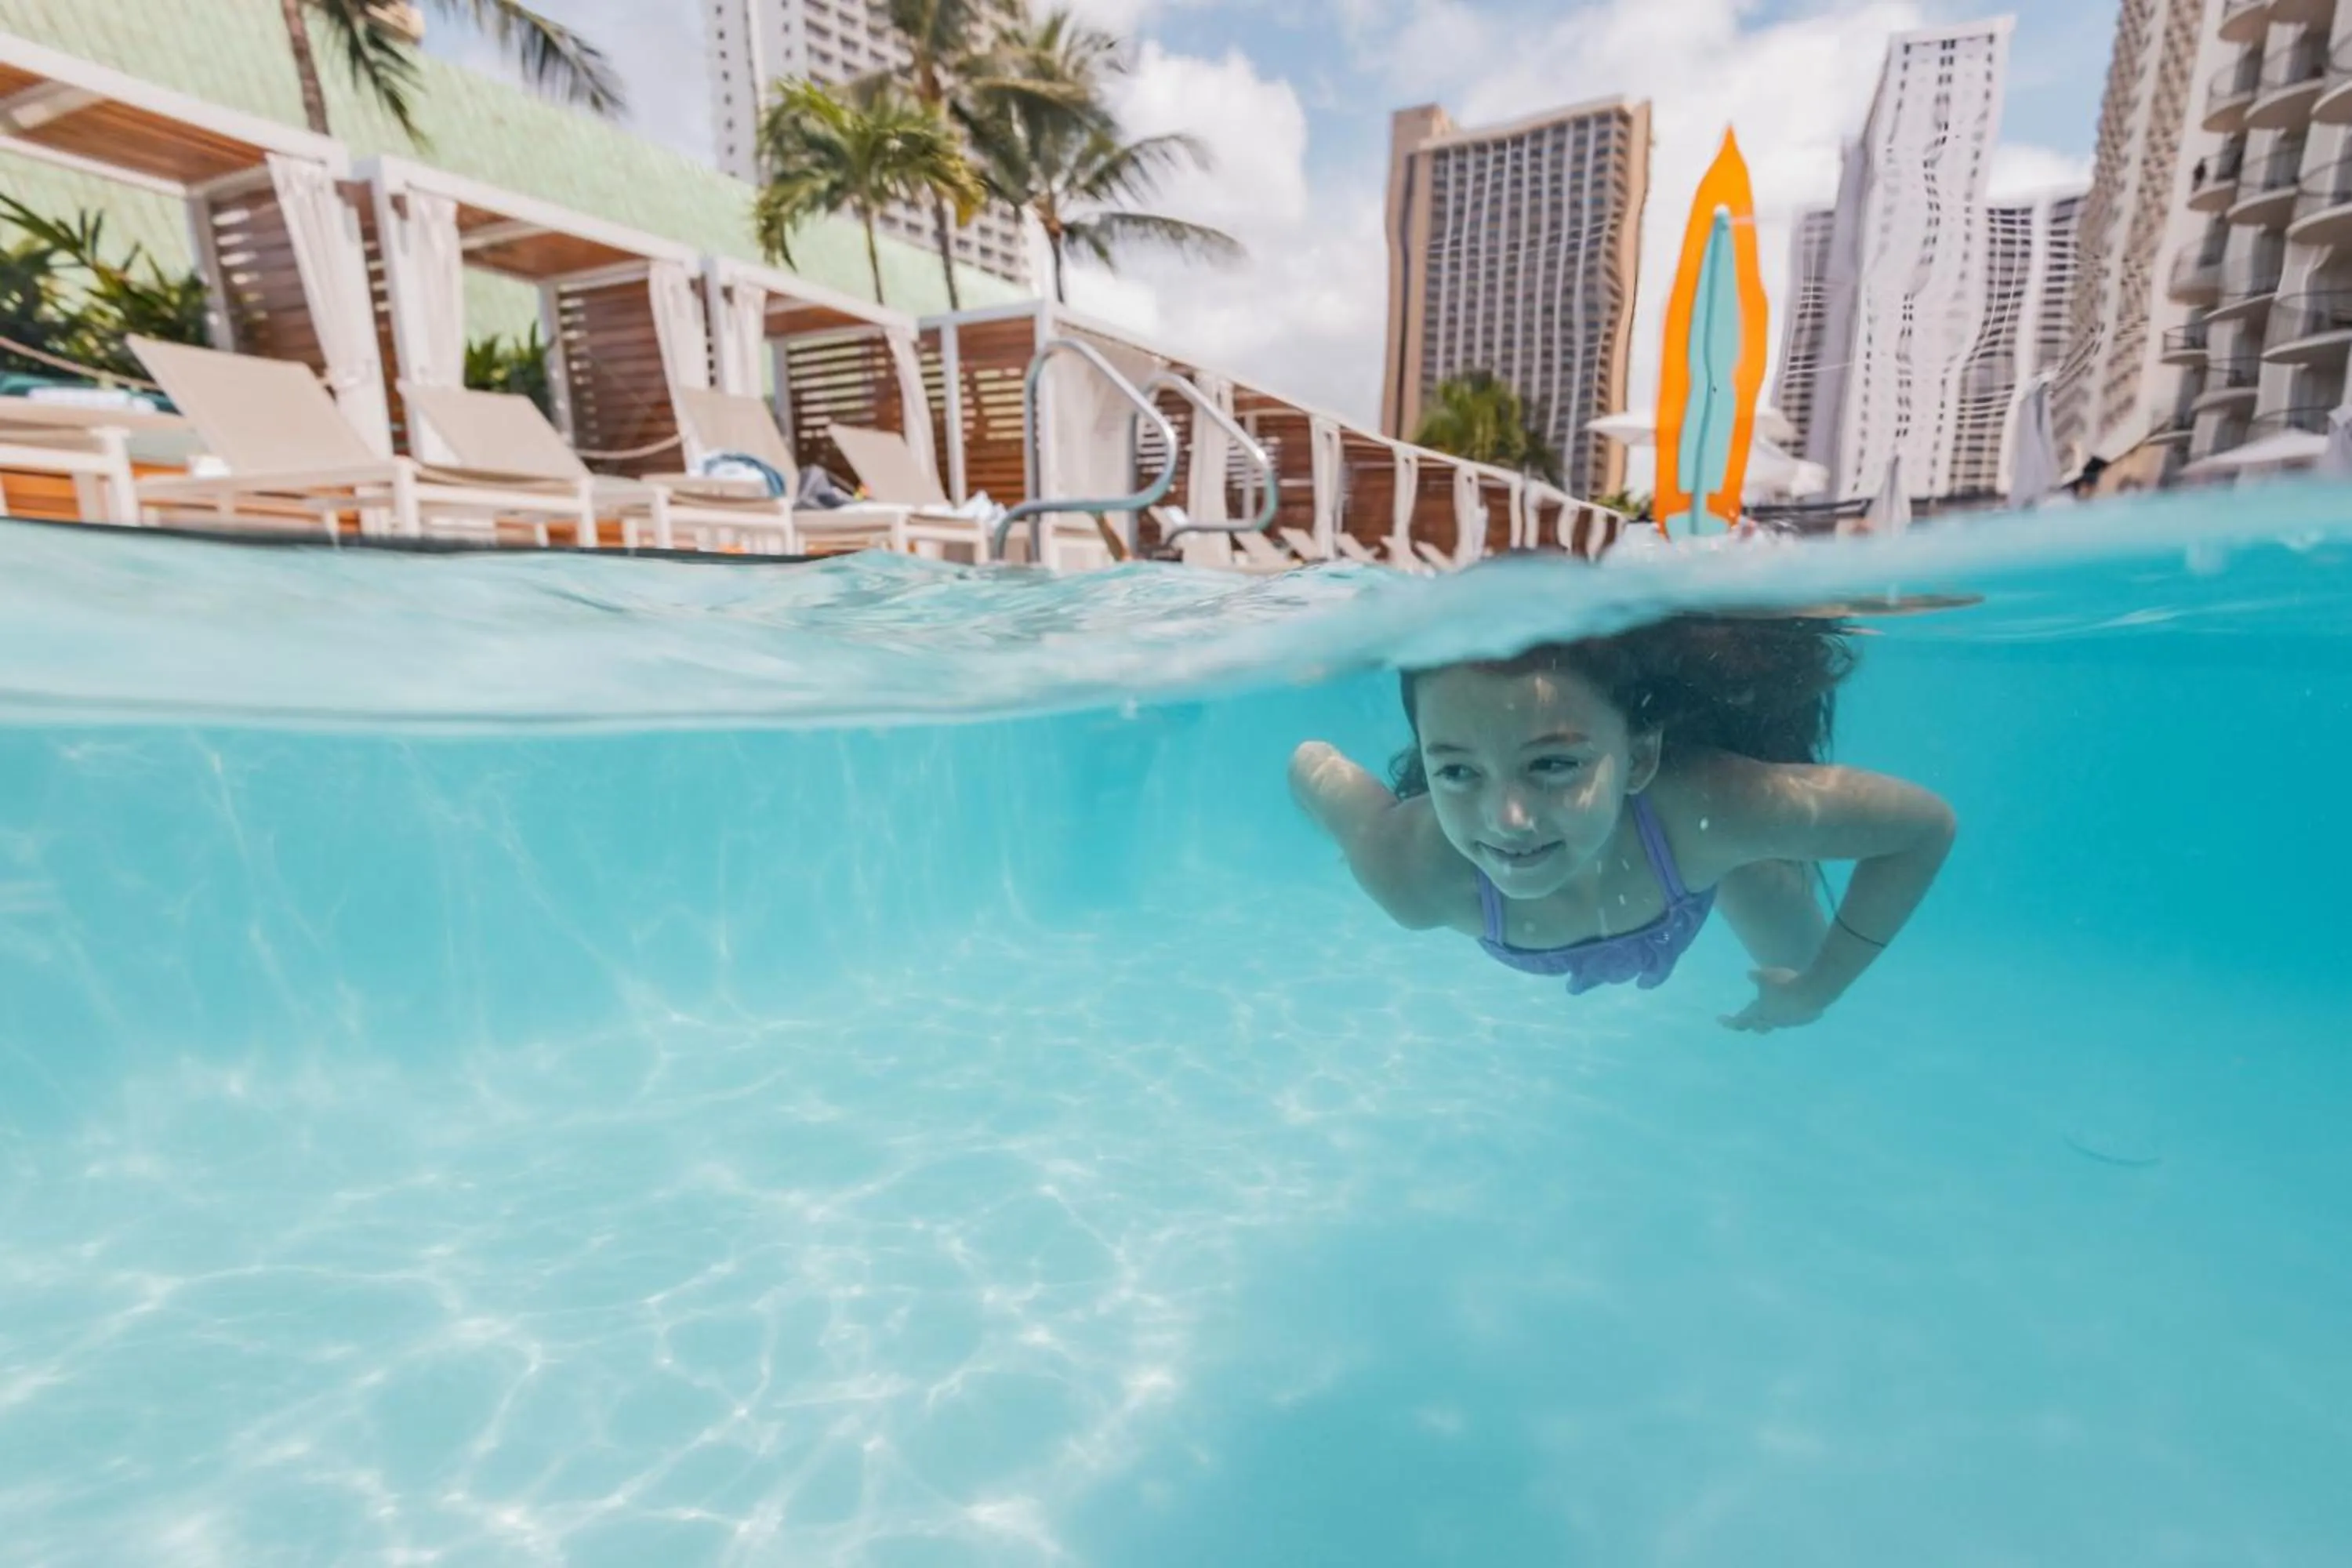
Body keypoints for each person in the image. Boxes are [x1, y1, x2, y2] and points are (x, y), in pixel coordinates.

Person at [1288, 615, 1955, 1031]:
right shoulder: (1411, 872)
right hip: (1674, 852)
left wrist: (1818, 990)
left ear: (1640, 755)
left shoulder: (1710, 808)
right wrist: (1323, 786)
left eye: (1553, 764)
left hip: (1687, 851)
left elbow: (1924, 827)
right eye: (1457, 771)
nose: (1509, 820)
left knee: (1802, 958)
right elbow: (1311, 771)